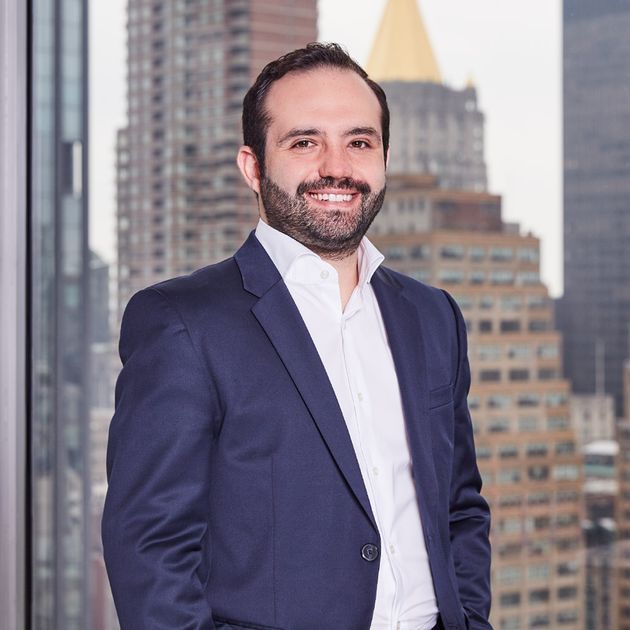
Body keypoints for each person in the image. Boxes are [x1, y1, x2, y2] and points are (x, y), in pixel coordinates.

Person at [102, 43, 491, 630]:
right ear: (253, 167)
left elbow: (460, 508)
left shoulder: (433, 316)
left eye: (359, 142)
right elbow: (150, 549)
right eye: (305, 142)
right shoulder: (181, 323)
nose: (336, 166)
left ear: (384, 159)